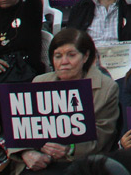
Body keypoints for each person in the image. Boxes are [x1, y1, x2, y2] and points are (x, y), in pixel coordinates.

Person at [15, 28, 120, 170]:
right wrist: (26, 152)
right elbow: (20, 128)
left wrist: (69, 149)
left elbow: (102, 138)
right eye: (58, 56)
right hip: (39, 162)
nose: (64, 62)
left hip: (81, 163)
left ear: (85, 56)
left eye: (71, 55)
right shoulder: (39, 82)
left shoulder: (107, 88)